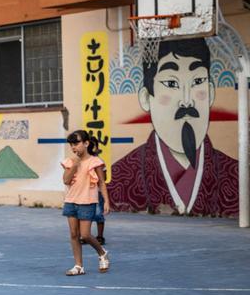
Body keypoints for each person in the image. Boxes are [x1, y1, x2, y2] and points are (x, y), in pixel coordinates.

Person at [108, 38, 237, 216]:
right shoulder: (120, 180)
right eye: (171, 84)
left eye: (197, 81)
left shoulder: (236, 176)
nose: (186, 101)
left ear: (211, 93)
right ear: (146, 98)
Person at [61, 130, 111, 276]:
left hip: (87, 201)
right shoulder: (70, 162)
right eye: (71, 145)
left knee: (85, 235)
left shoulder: (95, 162)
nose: (73, 147)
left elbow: (102, 182)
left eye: (76, 143)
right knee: (73, 234)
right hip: (71, 201)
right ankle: (78, 266)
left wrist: (106, 201)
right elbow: (66, 180)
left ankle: (102, 252)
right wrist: (75, 166)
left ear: (86, 143)